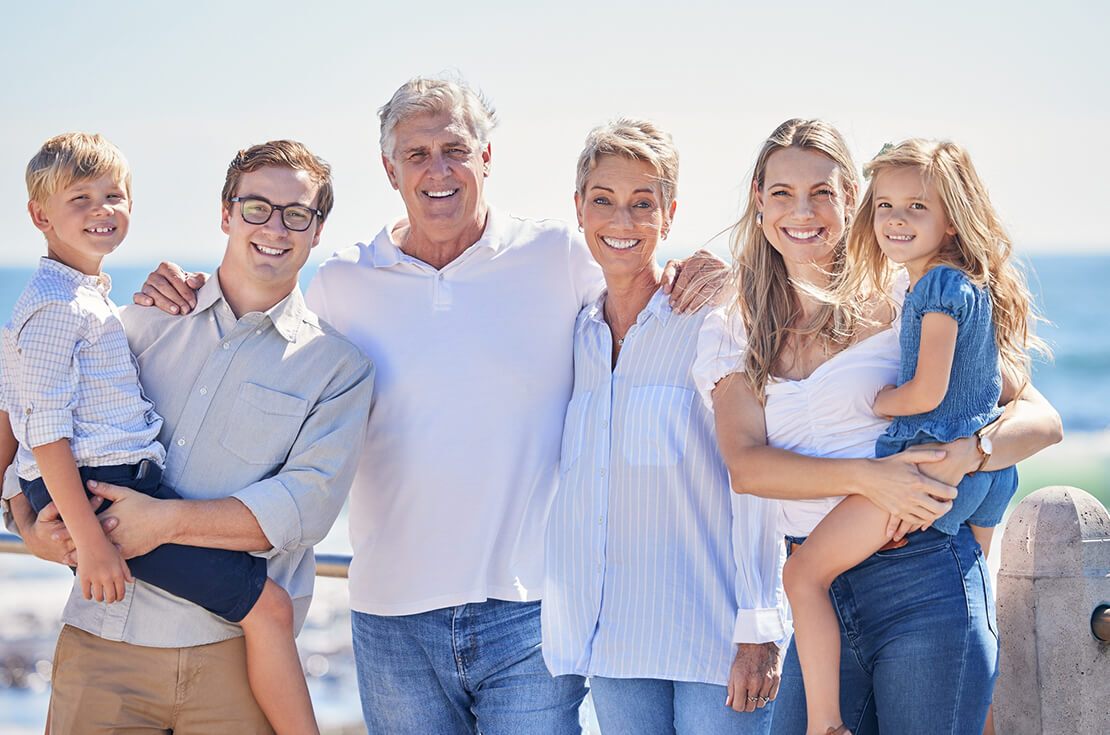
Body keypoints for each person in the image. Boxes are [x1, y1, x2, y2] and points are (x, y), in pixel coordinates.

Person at [135, 77, 725, 735]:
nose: (437, 169)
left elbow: (640, 288)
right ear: (390, 169)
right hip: (391, 622)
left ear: (487, 158)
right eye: (417, 154)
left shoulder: (556, 256)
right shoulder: (342, 283)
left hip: (529, 615)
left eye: (455, 149)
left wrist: (710, 273)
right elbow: (253, 326)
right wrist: (180, 288)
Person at [693, 118, 1063, 735]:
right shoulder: (734, 324)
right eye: (781, 192)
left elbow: (1039, 417)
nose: (801, 210)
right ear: (758, 200)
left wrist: (971, 452)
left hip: (922, 576)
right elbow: (747, 467)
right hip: (819, 593)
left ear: (851, 203)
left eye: (823, 192)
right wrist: (871, 478)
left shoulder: (906, 293)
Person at [3, 139, 374, 734]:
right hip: (104, 645)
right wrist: (22, 523)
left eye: (296, 213)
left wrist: (164, 521)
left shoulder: (337, 367)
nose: (274, 227)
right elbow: (26, 401)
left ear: (317, 228)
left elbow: (304, 512)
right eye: (256, 208)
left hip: (231, 660)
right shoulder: (138, 320)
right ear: (226, 215)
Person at [542, 119, 783, 735]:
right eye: (604, 200)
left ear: (668, 216)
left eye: (641, 204)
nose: (621, 222)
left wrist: (760, 625)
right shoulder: (577, 336)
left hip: (714, 643)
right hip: (616, 643)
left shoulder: (713, 321)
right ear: (578, 208)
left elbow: (754, 478)